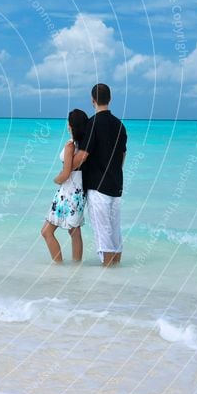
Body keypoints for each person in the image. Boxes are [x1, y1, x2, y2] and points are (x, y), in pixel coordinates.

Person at [72, 83, 127, 267]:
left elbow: (83, 155)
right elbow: (122, 157)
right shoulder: (120, 125)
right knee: (115, 235)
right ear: (110, 99)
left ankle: (108, 284)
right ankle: (115, 275)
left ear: (92, 100)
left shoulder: (92, 123)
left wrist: (66, 170)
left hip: (98, 188)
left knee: (103, 237)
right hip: (116, 185)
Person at [41, 109, 89, 263]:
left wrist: (56, 179)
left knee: (46, 232)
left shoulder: (70, 146)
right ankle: (75, 268)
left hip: (67, 191)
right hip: (78, 190)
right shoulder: (83, 146)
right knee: (74, 232)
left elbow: (66, 173)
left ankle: (58, 266)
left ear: (71, 125)